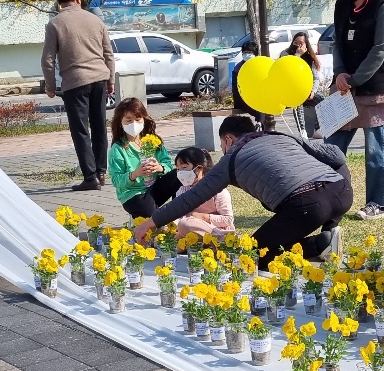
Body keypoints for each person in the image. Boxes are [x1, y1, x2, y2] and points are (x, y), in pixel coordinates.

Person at [135, 115, 352, 269]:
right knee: (274, 236)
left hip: (307, 205)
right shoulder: (281, 136)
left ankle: (320, 244)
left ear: (228, 139)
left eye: (222, 144)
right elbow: (337, 157)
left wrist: (150, 223)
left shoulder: (232, 158)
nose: (223, 149)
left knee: (253, 256)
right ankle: (330, 232)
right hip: (342, 192)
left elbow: (190, 199)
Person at [329, 0, 384, 221]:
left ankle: (377, 203)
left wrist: (356, 78)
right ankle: (327, 196)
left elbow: (381, 48)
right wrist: (339, 73)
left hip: (373, 87)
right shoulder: (342, 3)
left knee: (375, 148)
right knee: (332, 146)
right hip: (343, 86)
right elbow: (337, 42)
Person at [43, 0, 117, 191]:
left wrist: (50, 86)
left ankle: (90, 177)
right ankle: (101, 172)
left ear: (59, 0)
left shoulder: (55, 24)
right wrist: (110, 80)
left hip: (74, 82)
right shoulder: (96, 21)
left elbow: (48, 59)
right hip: (99, 79)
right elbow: (108, 54)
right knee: (99, 126)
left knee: (80, 130)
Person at [107, 97, 179, 219]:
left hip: (154, 187)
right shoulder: (118, 148)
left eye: (137, 119)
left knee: (180, 174)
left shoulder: (152, 141)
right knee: (153, 218)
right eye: (128, 120)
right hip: (133, 194)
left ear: (144, 119)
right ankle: (146, 215)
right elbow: (116, 180)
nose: (133, 124)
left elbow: (168, 163)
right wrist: (134, 174)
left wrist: (160, 168)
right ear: (120, 121)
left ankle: (180, 210)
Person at [171, 146, 235, 237]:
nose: (180, 172)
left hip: (216, 229)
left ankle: (219, 238)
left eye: (184, 167)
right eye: (178, 169)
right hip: (189, 228)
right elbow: (178, 215)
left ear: (199, 168)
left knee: (185, 224)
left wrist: (201, 217)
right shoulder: (182, 191)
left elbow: (228, 219)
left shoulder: (217, 190)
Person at [281, 31, 324, 138]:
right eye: (295, 42)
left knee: (321, 99)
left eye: (301, 43)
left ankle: (318, 128)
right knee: (297, 102)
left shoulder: (310, 57)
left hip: (307, 90)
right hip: (291, 90)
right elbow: (290, 69)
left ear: (306, 45)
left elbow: (315, 78)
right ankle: (302, 130)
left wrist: (313, 91)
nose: (298, 45)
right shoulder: (286, 54)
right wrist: (298, 55)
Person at [231, 41, 275, 131]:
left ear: (255, 54)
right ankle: (260, 123)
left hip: (258, 97)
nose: (247, 55)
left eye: (250, 52)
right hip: (243, 99)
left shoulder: (259, 65)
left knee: (263, 102)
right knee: (259, 105)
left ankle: (261, 125)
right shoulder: (238, 68)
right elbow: (236, 90)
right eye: (245, 52)